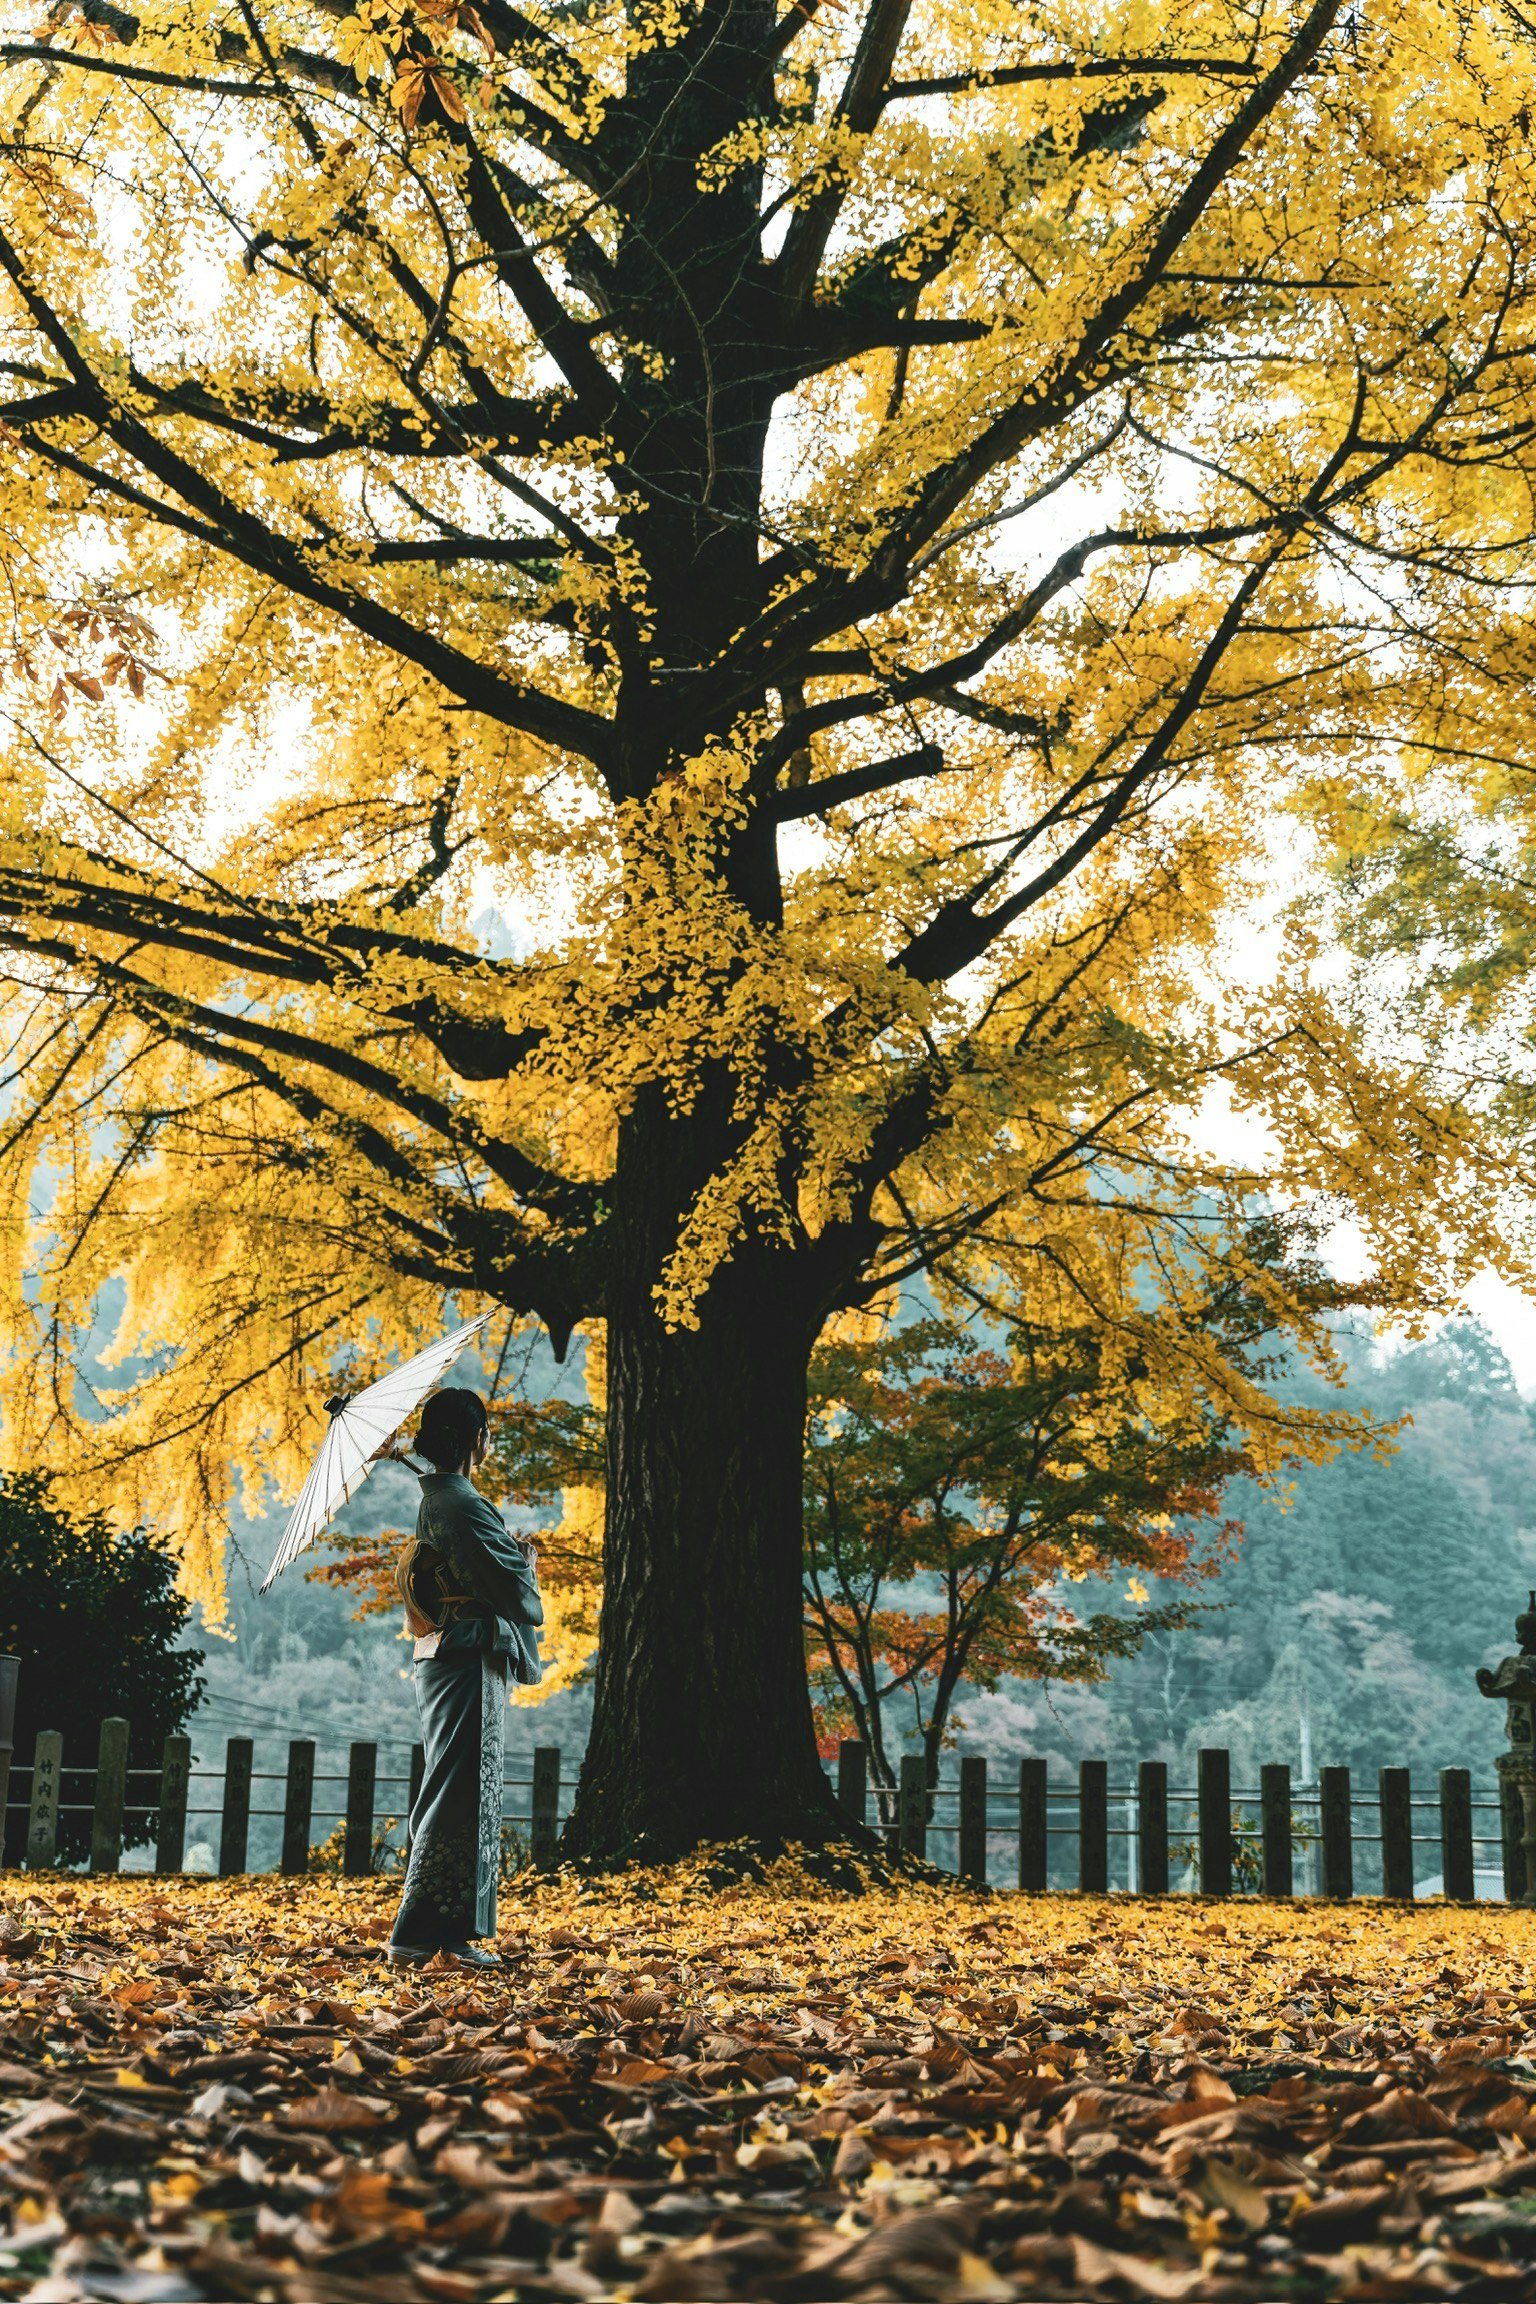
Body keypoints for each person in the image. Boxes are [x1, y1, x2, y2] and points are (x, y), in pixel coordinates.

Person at [388, 1386, 543, 1969]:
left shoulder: (446, 1498)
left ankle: (442, 1932)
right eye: (486, 1432)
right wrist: (523, 1564)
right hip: (466, 1655)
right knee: (457, 1790)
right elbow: (507, 1586)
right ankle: (424, 1933)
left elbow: (479, 1564)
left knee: (453, 1785)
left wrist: (506, 1558)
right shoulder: (457, 1502)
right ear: (476, 1438)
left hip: (450, 1655)